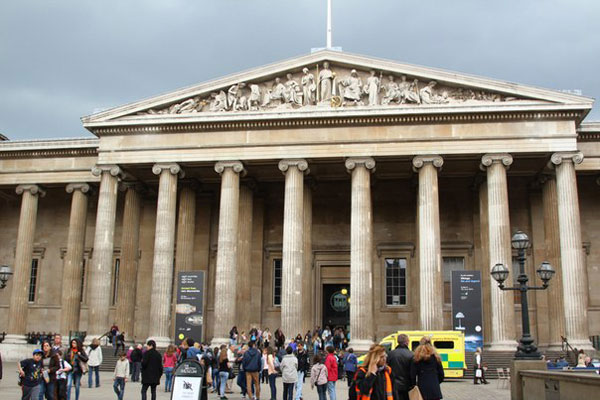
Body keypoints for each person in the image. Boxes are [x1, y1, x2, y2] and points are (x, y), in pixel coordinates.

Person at [387, 334, 413, 400]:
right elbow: (412, 372)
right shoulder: (411, 354)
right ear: (407, 342)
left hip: (393, 384)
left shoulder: (390, 354)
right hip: (407, 385)